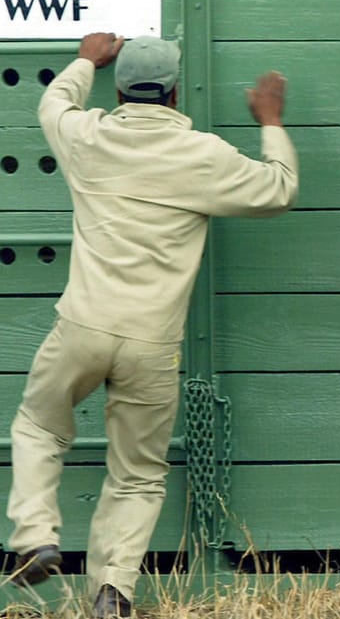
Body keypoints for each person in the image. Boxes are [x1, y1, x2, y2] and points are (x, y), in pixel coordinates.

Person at [4, 32, 299, 618]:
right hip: (151, 343)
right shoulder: (204, 155)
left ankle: (35, 536)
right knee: (137, 475)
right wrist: (269, 121)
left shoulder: (87, 136)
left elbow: (52, 105)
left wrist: (85, 60)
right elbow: (279, 189)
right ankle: (113, 591)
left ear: (120, 89)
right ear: (174, 93)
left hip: (82, 326)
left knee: (39, 427)